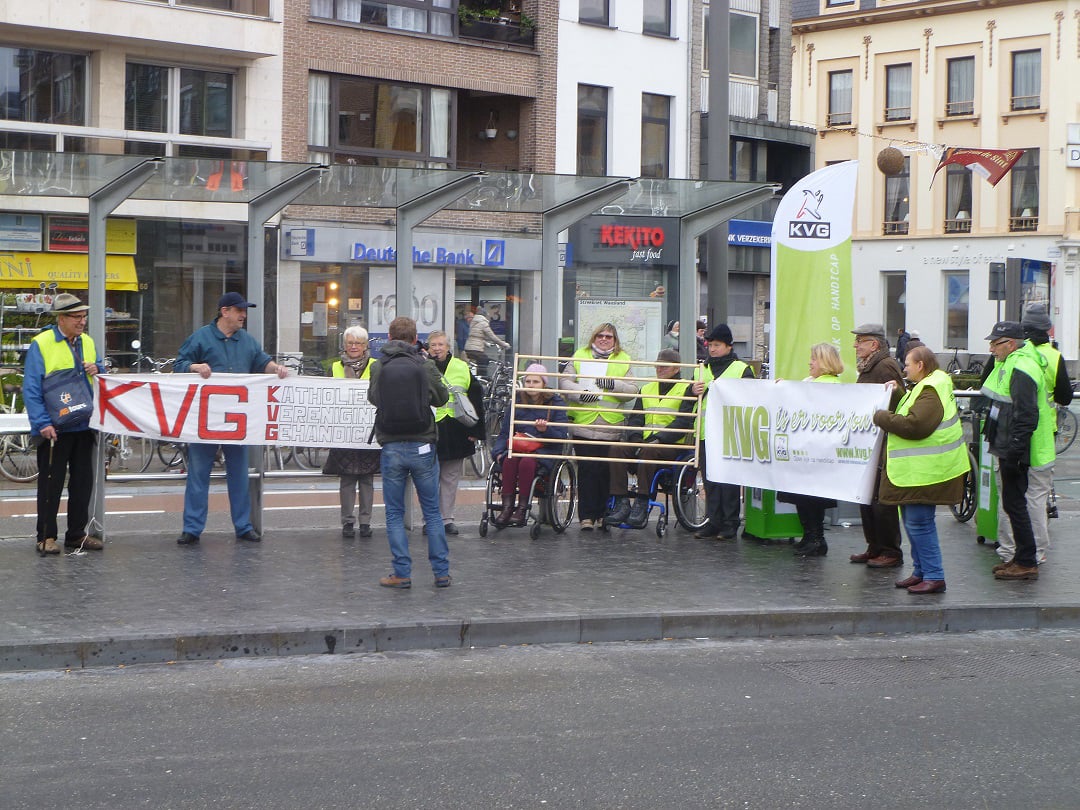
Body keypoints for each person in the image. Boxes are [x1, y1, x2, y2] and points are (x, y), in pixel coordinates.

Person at [173, 292, 289, 545]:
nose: (243, 315)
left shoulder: (246, 340)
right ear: (224, 312)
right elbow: (178, 365)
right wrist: (194, 367)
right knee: (198, 473)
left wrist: (276, 369)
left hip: (238, 421)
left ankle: (243, 526)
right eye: (239, 311)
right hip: (206, 420)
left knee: (238, 474)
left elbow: (262, 361)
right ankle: (192, 528)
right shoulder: (201, 337)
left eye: (244, 311)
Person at [872, 346, 968, 594]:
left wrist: (880, 417)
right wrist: (896, 394)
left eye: (907, 364)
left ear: (921, 365)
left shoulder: (930, 390)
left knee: (919, 523)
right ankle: (921, 572)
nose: (904, 368)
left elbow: (915, 425)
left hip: (926, 472)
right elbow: (910, 413)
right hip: (921, 471)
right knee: (915, 522)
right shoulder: (927, 386)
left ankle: (934, 575)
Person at [368, 316, 451, 589]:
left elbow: (373, 398)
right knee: (432, 512)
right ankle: (441, 573)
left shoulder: (380, 365)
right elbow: (442, 398)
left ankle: (401, 573)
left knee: (394, 512)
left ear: (390, 338)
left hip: (391, 444)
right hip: (422, 444)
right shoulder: (425, 364)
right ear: (416, 339)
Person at [23, 293, 106, 555]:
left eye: (84, 317)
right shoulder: (42, 343)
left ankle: (76, 535)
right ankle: (45, 536)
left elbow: (100, 374)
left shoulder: (88, 342)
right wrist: (42, 423)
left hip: (83, 425)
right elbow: (31, 388)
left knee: (82, 483)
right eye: (77, 317)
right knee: (51, 485)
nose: (82, 322)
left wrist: (99, 367)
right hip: (54, 430)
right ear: (62, 318)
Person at [981, 321, 1053, 581]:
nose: (991, 349)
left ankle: (1026, 561)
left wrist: (1014, 453)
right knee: (1013, 504)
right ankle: (1022, 557)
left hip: (1018, 449)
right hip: (1011, 445)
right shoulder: (1011, 362)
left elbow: (1026, 415)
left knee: (1016, 504)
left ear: (1011, 343)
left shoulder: (1022, 366)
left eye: (995, 344)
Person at [1007, 303, 1072, 565]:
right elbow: (1066, 397)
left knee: (1010, 492)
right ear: (1048, 329)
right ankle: (1037, 549)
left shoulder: (1014, 352)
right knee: (1036, 493)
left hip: (1011, 431)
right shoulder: (1053, 356)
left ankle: (1009, 546)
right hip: (1044, 431)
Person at [559, 323, 638, 530]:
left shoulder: (624, 359)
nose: (604, 339)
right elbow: (565, 382)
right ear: (594, 338)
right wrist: (581, 392)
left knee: (605, 471)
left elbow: (632, 390)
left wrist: (613, 384)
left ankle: (604, 514)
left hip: (610, 424)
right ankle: (586, 516)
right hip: (583, 422)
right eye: (600, 335)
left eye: (609, 336)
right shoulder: (580, 354)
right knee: (587, 470)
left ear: (615, 340)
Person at [605, 349, 695, 529]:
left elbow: (683, 421)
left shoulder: (686, 388)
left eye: (664, 366)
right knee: (616, 449)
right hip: (646, 443)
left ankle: (642, 501)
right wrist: (636, 438)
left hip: (672, 445)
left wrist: (659, 439)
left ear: (676, 369)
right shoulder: (646, 388)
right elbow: (636, 419)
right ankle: (621, 501)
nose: (659, 369)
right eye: (657, 366)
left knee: (649, 450)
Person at [848, 323, 906, 567]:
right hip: (869, 439)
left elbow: (899, 398)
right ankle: (874, 546)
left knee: (882, 500)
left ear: (874, 344)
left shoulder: (884, 366)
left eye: (860, 340)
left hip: (882, 440)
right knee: (867, 496)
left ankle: (891, 551)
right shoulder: (869, 366)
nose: (855, 345)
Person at [777, 343, 843, 557]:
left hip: (818, 452)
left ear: (824, 362)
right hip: (804, 450)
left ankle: (817, 538)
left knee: (813, 497)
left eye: (814, 359)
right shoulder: (809, 384)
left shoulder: (831, 386)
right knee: (802, 496)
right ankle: (809, 536)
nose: (810, 362)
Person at [691, 323, 755, 540]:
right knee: (710, 480)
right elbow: (691, 400)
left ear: (729, 346)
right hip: (705, 432)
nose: (712, 349)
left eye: (717, 345)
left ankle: (730, 522)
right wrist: (693, 390)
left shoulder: (742, 369)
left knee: (729, 479)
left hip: (729, 433)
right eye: (710, 345)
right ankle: (713, 520)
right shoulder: (701, 368)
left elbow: (750, 399)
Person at [491, 364, 569, 527]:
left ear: (544, 383)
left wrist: (545, 429)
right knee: (509, 459)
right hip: (519, 447)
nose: (531, 385)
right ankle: (507, 508)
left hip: (545, 450)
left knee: (527, 462)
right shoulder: (517, 402)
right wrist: (498, 452)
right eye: (528, 381)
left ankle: (522, 508)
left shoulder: (555, 403)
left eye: (535, 382)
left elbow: (561, 436)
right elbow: (505, 432)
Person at [322, 326, 380, 538]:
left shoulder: (376, 366)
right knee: (346, 479)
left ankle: (365, 522)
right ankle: (347, 522)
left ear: (366, 346)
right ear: (344, 345)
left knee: (367, 479)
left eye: (358, 343)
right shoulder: (334, 367)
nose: (354, 347)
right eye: (350, 343)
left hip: (368, 430)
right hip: (343, 430)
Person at [428, 329, 485, 536]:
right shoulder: (423, 367)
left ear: (448, 347)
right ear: (428, 347)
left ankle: (446, 519)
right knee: (430, 478)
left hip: (456, 429)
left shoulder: (461, 367)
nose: (437, 349)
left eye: (441, 345)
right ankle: (431, 519)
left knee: (450, 477)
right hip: (429, 429)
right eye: (433, 345)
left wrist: (476, 430)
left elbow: (476, 397)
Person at [464, 307, 510, 376]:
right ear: (484, 315)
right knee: (485, 360)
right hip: (475, 349)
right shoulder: (483, 323)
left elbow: (476, 336)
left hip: (468, 348)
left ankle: (477, 376)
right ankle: (483, 378)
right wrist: (504, 344)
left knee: (482, 361)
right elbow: (492, 336)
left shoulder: (474, 322)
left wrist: (486, 344)